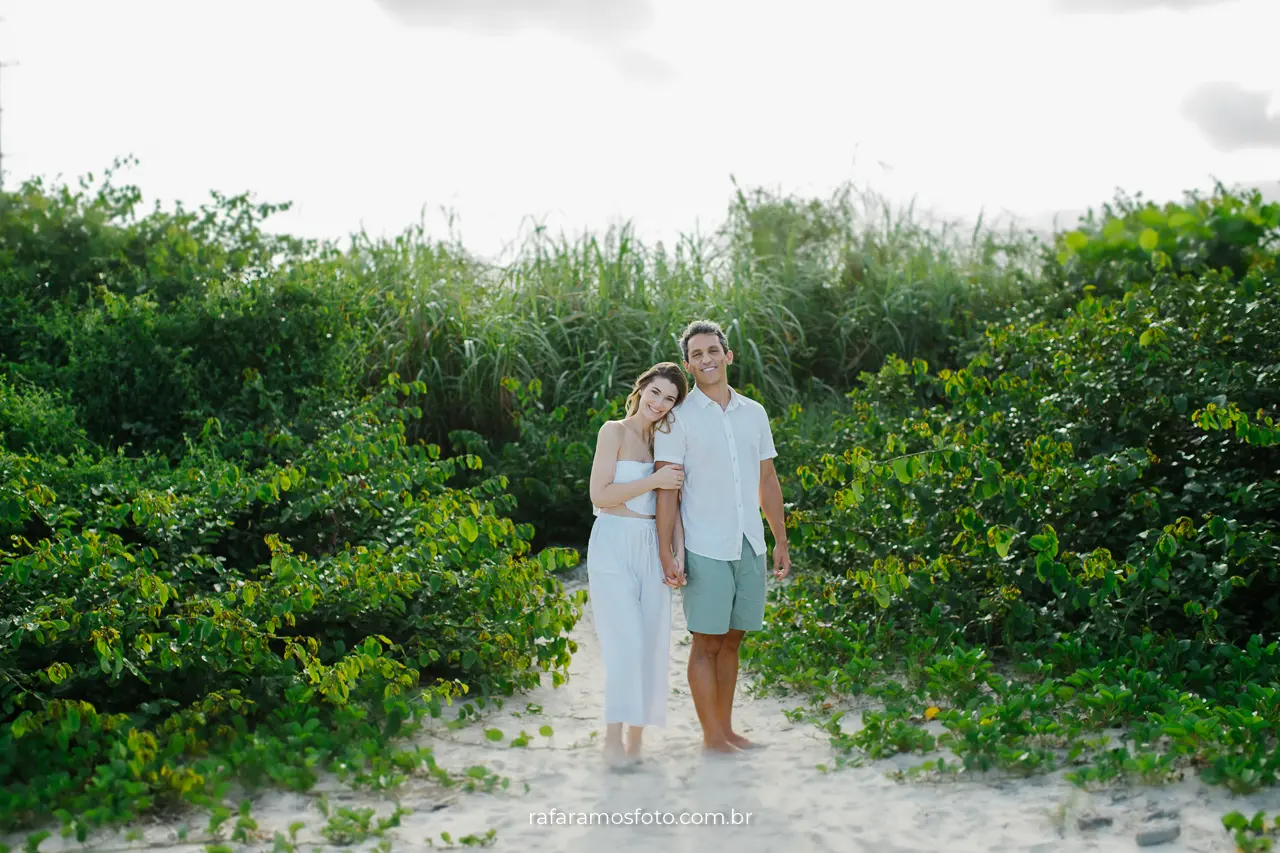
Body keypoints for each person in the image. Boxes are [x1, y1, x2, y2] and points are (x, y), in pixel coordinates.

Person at [654, 320, 791, 754]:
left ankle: (726, 730)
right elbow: (667, 490)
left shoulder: (754, 413)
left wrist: (780, 540)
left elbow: (767, 479)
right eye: (697, 354)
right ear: (688, 365)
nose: (707, 359)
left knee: (733, 639)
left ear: (727, 355)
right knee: (706, 642)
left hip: (749, 543)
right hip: (705, 547)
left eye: (713, 350)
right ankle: (711, 737)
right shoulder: (678, 419)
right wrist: (667, 551)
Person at [586, 362, 689, 768]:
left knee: (651, 642)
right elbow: (600, 495)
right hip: (613, 542)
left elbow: (673, 504)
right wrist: (653, 481)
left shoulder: (666, 443)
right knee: (624, 643)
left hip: (652, 545)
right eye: (655, 392)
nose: (660, 404)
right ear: (641, 388)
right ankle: (612, 737)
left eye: (670, 399)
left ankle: (636, 741)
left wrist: (678, 551)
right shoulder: (613, 431)